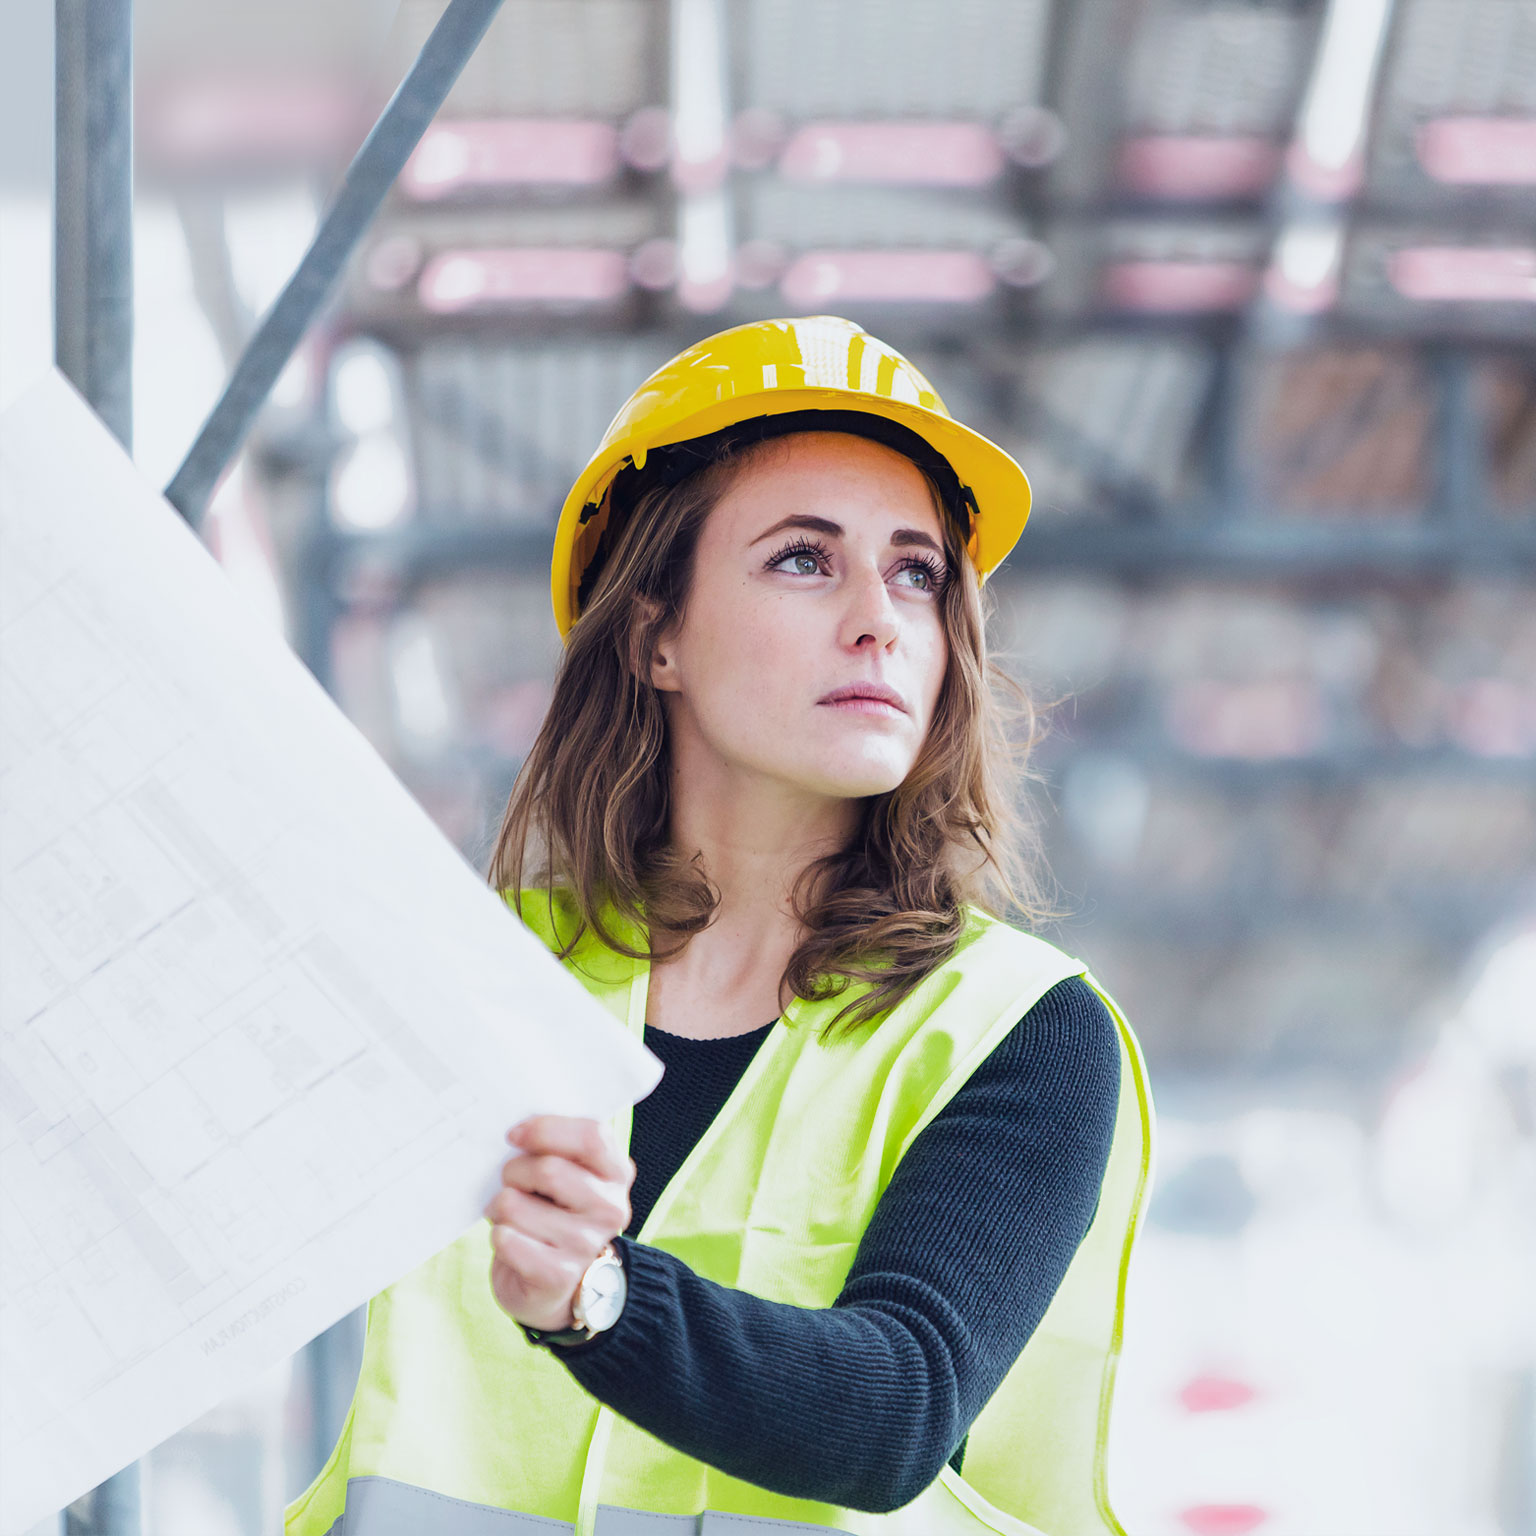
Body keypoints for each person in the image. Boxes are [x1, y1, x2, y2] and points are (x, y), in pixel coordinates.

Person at [286, 316, 1154, 1536]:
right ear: (655, 635)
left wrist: (599, 1299)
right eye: (805, 559)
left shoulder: (1021, 1031)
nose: (881, 618)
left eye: (918, 571)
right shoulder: (478, 973)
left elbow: (899, 1407)